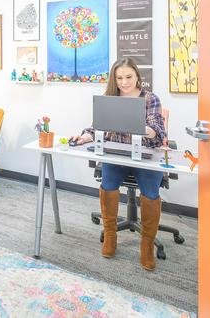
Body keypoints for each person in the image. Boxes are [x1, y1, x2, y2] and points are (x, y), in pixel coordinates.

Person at [69, 58, 166, 271]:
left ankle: (147, 244)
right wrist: (85, 137)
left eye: (129, 77)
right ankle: (110, 235)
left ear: (138, 76)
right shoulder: (110, 98)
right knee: (108, 184)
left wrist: (144, 128)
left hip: (146, 155)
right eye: (119, 78)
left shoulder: (151, 99)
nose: (124, 82)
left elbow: (159, 133)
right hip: (117, 155)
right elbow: (96, 127)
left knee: (151, 191)